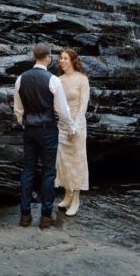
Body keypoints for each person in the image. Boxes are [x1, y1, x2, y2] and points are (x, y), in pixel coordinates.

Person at [14, 43, 77, 230]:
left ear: (34, 57)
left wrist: (23, 122)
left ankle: (25, 215)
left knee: (28, 170)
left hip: (29, 129)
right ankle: (46, 215)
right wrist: (71, 127)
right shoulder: (53, 80)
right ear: (48, 58)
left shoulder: (20, 79)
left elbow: (18, 109)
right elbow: (62, 110)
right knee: (48, 171)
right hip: (47, 129)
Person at [56, 47, 90, 217]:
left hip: (77, 125)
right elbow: (57, 105)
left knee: (76, 162)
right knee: (63, 161)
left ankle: (76, 199)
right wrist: (66, 124)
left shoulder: (82, 79)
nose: (62, 61)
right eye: (60, 58)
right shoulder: (58, 79)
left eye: (65, 58)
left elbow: (84, 104)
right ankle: (67, 195)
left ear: (72, 61)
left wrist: (74, 126)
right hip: (62, 125)